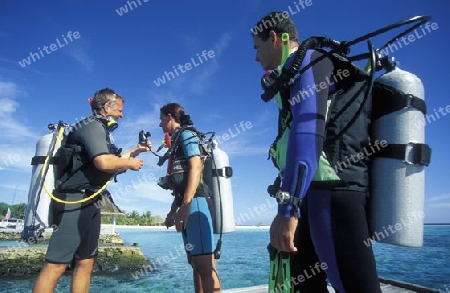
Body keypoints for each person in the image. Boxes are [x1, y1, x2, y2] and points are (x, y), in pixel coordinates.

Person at [251, 12, 381, 292]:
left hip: (331, 194)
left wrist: (287, 210)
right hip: (312, 194)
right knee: (307, 284)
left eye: (256, 47)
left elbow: (307, 137)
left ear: (274, 38)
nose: (255, 57)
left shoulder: (310, 61)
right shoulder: (291, 76)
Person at [32, 88, 152, 293]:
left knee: (86, 262)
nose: (122, 115)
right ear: (106, 108)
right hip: (75, 199)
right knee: (57, 264)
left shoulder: (100, 130)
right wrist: (131, 163)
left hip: (91, 201)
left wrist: (136, 151)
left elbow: (112, 160)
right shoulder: (92, 126)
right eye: (120, 110)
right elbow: (104, 162)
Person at [157, 103, 221, 293]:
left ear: (169, 117)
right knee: (194, 262)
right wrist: (172, 210)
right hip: (188, 204)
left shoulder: (187, 134)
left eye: (161, 119)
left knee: (205, 267)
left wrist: (185, 206)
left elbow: (196, 167)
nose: (160, 125)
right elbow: (181, 183)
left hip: (197, 203)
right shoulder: (177, 140)